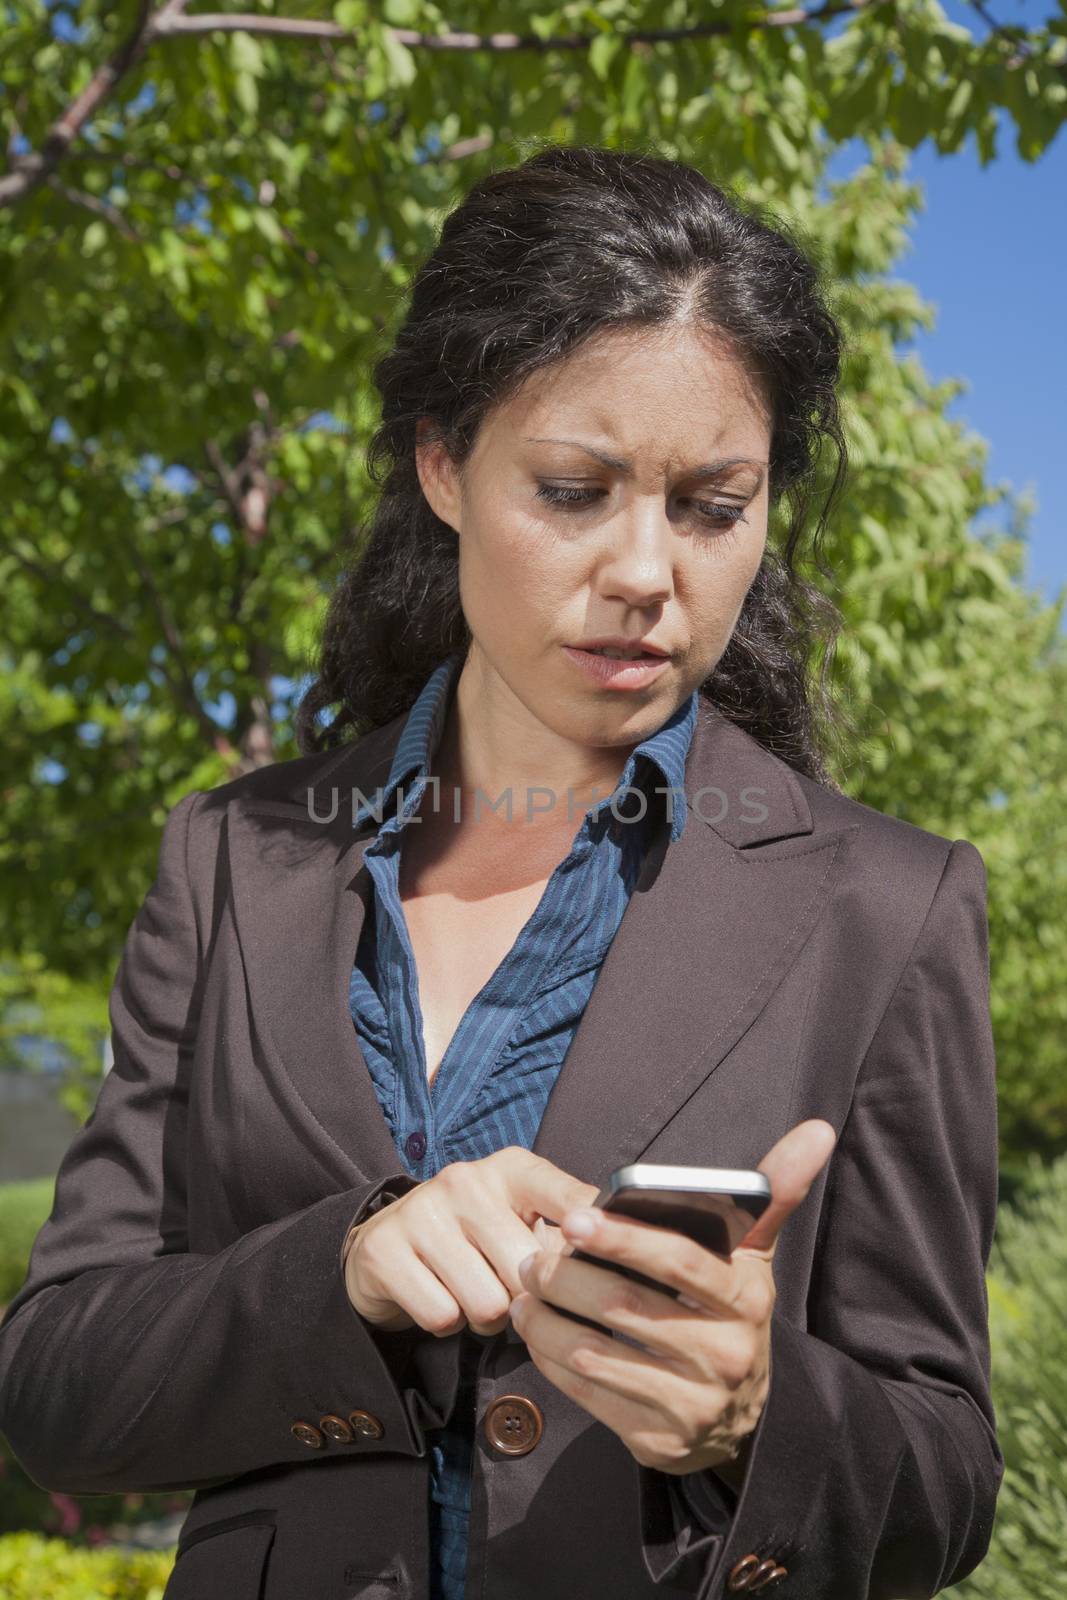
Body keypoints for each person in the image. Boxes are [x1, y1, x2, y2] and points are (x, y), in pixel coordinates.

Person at [0, 144, 1003, 1600]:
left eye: (715, 505)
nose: (649, 570)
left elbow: (948, 1475)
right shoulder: (231, 860)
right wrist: (336, 1272)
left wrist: (758, 1412)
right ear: (441, 464)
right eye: (577, 488)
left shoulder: (886, 911)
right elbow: (55, 1384)